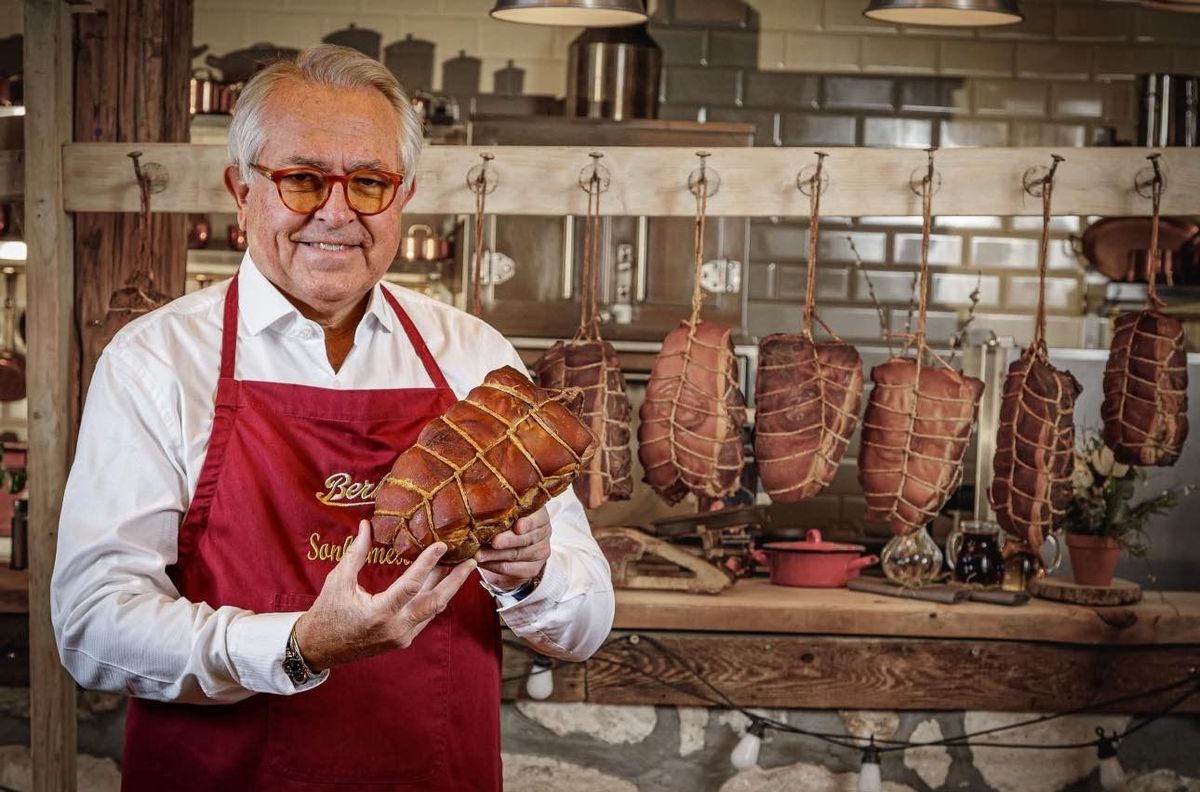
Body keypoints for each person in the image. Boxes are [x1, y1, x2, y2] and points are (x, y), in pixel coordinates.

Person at [51, 44, 614, 792]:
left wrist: (530, 574)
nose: (338, 213)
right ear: (242, 191)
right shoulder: (157, 361)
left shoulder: (473, 356)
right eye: (303, 179)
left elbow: (586, 623)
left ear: (403, 197)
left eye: (370, 182)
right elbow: (92, 628)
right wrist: (300, 645)